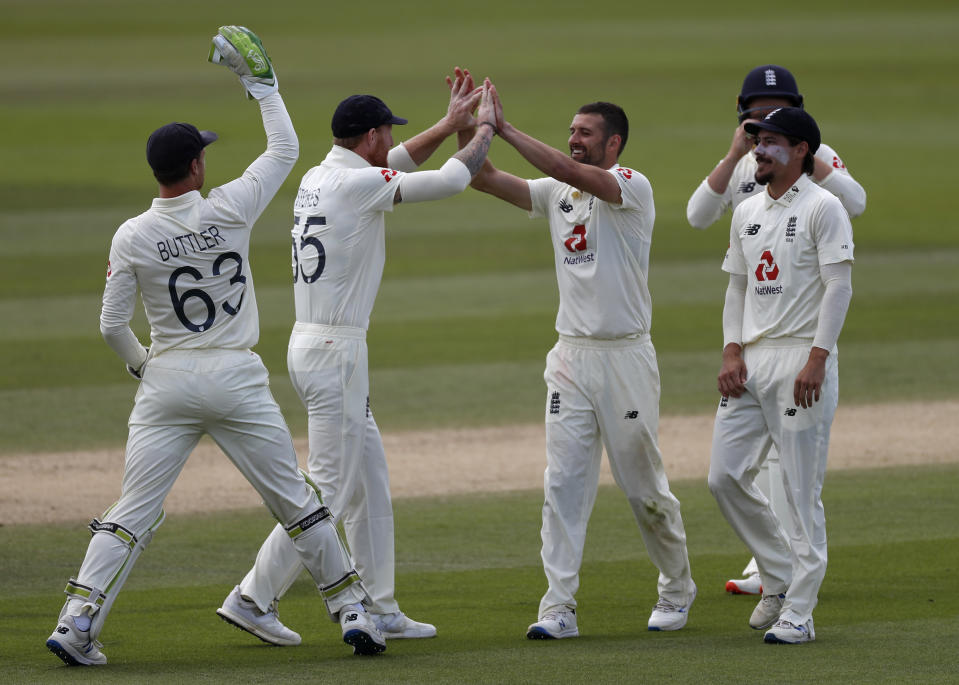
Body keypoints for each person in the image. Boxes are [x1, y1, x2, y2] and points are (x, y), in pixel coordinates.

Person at [44, 26, 387, 666]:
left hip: (166, 381)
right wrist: (261, 86)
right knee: (298, 502)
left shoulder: (132, 235)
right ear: (196, 166)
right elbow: (284, 148)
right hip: (235, 378)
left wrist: (145, 366)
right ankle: (352, 613)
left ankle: (77, 620)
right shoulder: (229, 208)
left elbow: (110, 326)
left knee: (133, 512)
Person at [217, 70, 499, 644]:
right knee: (329, 489)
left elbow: (394, 160)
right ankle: (252, 596)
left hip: (311, 342)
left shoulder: (321, 176)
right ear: (369, 136)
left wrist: (448, 124)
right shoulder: (356, 185)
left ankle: (380, 605)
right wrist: (485, 128)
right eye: (384, 134)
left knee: (368, 477)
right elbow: (448, 181)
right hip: (336, 350)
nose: (388, 142)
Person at [464, 91, 696, 639]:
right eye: (572, 130)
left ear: (613, 143)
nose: (575, 139)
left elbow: (568, 168)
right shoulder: (555, 192)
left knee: (644, 489)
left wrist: (506, 127)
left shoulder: (632, 187)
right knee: (563, 482)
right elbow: (483, 177)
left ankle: (676, 585)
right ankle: (559, 606)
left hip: (626, 358)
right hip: (570, 355)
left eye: (586, 132)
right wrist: (471, 128)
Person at [687, 64, 866, 596]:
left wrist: (810, 157)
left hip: (799, 330)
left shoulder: (815, 168)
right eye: (754, 120)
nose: (762, 128)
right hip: (754, 338)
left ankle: (790, 590)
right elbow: (699, 217)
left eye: (775, 118)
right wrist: (738, 154)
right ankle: (774, 567)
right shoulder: (748, 162)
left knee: (793, 472)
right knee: (729, 473)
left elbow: (854, 206)